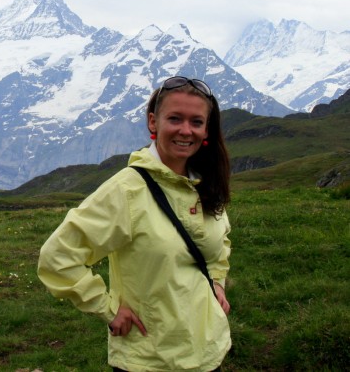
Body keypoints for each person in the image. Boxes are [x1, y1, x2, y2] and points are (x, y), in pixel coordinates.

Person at [38, 76, 232, 371]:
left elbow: (221, 242)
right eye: (175, 119)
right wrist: (108, 308)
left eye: (196, 122)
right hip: (149, 359)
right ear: (153, 122)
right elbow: (57, 257)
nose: (185, 130)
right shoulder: (126, 191)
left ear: (206, 129)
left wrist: (216, 280)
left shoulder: (204, 182)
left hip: (208, 352)